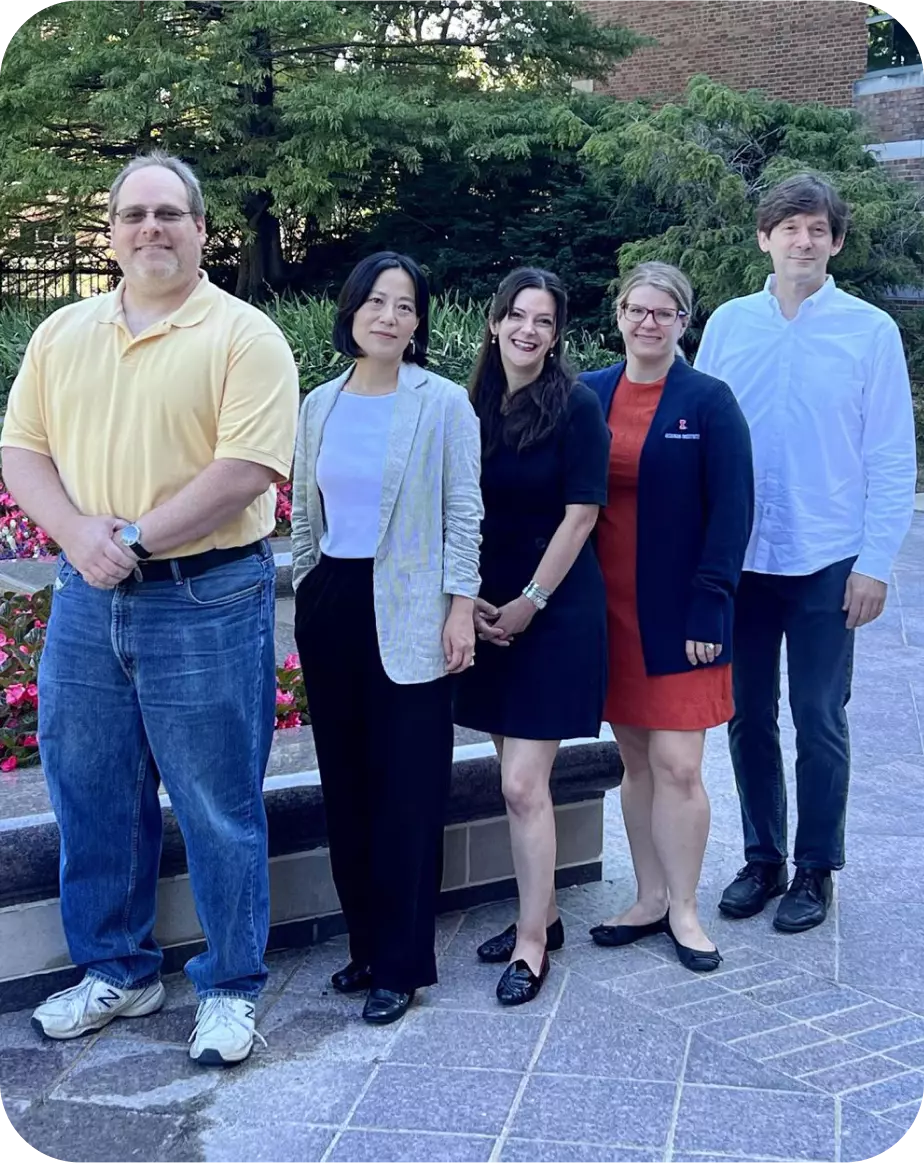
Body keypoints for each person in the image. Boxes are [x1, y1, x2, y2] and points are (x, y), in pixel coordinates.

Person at [0, 152, 300, 1063]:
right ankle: (117, 971)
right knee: (89, 791)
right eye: (133, 214)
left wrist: (128, 539)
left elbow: (246, 470)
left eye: (169, 213)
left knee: (216, 803)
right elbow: (21, 452)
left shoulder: (245, 337)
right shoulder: (64, 334)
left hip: (205, 595)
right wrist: (78, 537)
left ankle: (231, 986)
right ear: (113, 231)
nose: (151, 229)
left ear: (202, 229)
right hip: (90, 602)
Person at [695, 173, 917, 933]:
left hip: (828, 556)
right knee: (747, 715)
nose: (803, 240)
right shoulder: (728, 325)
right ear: (764, 237)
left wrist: (877, 561)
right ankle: (764, 857)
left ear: (836, 242)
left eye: (817, 229)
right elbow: (710, 444)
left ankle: (817, 867)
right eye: (789, 227)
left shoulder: (868, 332)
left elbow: (891, 455)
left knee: (819, 715)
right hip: (746, 557)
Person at [291, 252, 482, 1025]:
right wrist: (307, 582)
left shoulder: (441, 404)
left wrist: (460, 606)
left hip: (410, 606)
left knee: (408, 787)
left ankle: (402, 964)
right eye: (376, 302)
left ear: (418, 323)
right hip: (333, 598)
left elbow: (465, 511)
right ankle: (364, 946)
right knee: (348, 784)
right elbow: (306, 511)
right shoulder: (318, 403)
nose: (390, 317)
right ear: (351, 311)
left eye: (405, 306)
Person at [583, 262, 753, 972]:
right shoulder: (588, 393)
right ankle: (648, 895)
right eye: (637, 309)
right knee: (636, 759)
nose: (648, 323)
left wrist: (711, 603)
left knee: (680, 764)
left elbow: (734, 509)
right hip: (608, 608)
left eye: (664, 313)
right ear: (619, 315)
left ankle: (685, 908)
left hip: (685, 614)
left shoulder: (709, 401)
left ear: (685, 322)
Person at [454, 268, 610, 1004]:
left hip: (554, 612)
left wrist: (529, 601)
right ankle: (542, 913)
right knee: (508, 772)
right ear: (494, 323)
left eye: (543, 321)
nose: (528, 330)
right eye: (517, 315)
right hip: (486, 609)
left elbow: (581, 516)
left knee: (523, 783)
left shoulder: (577, 407)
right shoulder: (468, 404)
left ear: (557, 334)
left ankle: (530, 945)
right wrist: (472, 600)